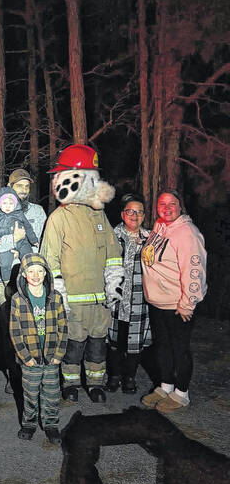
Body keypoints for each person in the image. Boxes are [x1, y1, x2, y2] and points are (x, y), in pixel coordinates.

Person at [40, 144, 124, 404]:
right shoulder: (58, 218)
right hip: (73, 301)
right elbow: (49, 260)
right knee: (73, 346)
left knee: (98, 345)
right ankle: (71, 384)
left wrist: (114, 285)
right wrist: (59, 295)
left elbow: (113, 253)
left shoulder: (99, 215)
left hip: (100, 302)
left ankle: (96, 384)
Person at [140, 190, 207, 412]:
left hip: (178, 305)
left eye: (172, 203)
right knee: (163, 348)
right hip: (157, 302)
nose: (167, 208)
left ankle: (181, 393)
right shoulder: (160, 226)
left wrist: (188, 303)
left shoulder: (187, 233)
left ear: (180, 206)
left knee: (179, 349)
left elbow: (194, 271)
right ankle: (166, 386)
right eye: (162, 204)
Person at [9, 253, 68, 445]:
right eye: (31, 271)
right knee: (30, 394)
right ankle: (29, 423)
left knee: (52, 394)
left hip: (52, 357)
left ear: (46, 273)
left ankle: (51, 424)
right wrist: (25, 357)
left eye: (40, 271)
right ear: (23, 274)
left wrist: (59, 354)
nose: (35, 275)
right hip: (30, 359)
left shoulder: (56, 297)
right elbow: (15, 331)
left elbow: (63, 327)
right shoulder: (18, 300)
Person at [105, 193, 152, 394]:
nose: (135, 216)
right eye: (130, 211)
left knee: (135, 341)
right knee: (115, 340)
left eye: (139, 212)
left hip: (139, 299)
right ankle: (114, 376)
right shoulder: (111, 236)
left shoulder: (151, 239)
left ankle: (130, 377)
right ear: (123, 214)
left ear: (144, 216)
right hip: (116, 299)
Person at [0, 168, 46, 306]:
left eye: (27, 186)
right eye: (19, 185)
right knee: (6, 317)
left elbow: (42, 244)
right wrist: (12, 240)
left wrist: (22, 253)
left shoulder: (38, 211)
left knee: (31, 318)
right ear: (9, 187)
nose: (24, 190)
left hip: (32, 279)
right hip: (4, 279)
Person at [0, 186, 38, 282]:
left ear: (15, 205)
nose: (8, 206)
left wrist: (34, 240)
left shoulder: (20, 215)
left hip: (22, 242)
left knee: (28, 258)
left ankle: (27, 280)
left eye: (11, 203)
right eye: (4, 203)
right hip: (6, 245)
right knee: (4, 263)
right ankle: (6, 281)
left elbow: (28, 227)